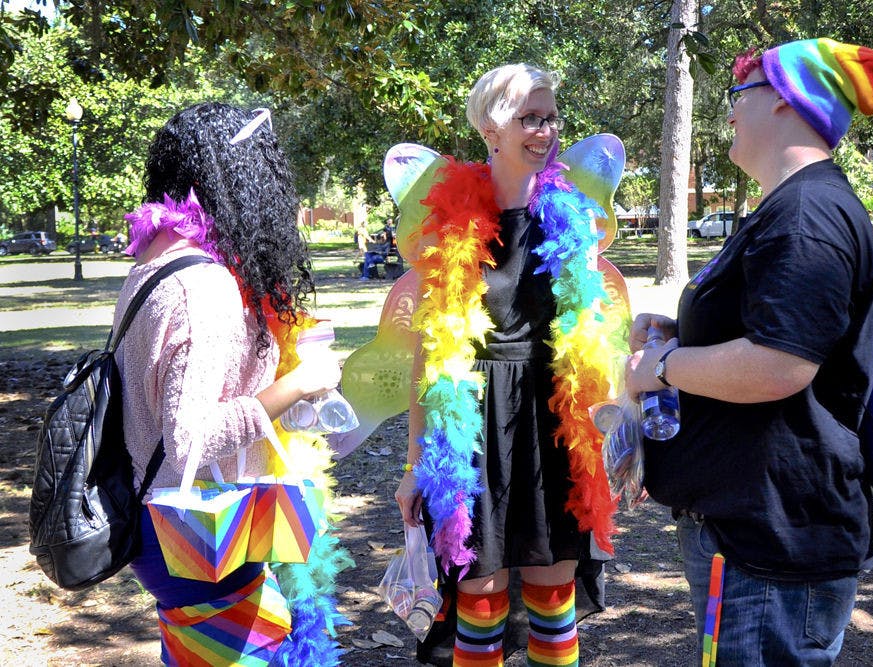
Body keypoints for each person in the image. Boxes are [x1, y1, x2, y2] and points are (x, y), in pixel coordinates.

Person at [624, 38, 873, 665]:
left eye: (739, 93)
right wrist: (682, 333)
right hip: (749, 534)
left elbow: (778, 364)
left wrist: (659, 369)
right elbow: (775, 331)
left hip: (773, 543)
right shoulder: (789, 209)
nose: (732, 110)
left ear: (783, 102)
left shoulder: (806, 216)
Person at [393, 63, 623, 666]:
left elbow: (592, 340)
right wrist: (416, 463)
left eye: (550, 117)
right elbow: (429, 353)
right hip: (474, 423)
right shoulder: (452, 222)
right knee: (481, 596)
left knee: (554, 595)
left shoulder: (571, 216)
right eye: (530, 118)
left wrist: (618, 439)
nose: (545, 130)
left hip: (556, 419)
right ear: (492, 128)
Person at [114, 102, 344, 664]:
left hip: (169, 529)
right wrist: (300, 384)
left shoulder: (156, 262)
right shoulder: (206, 287)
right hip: (194, 532)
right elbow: (189, 439)